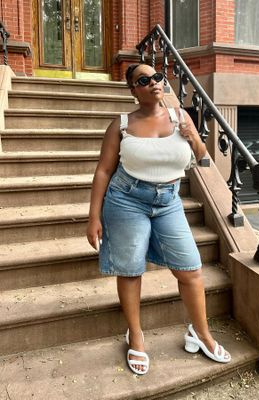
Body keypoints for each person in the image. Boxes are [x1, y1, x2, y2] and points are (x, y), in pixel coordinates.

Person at [86, 63, 231, 375]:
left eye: (157, 76)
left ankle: (201, 332)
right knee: (130, 269)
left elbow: (203, 157)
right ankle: (135, 335)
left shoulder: (181, 117)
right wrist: (93, 216)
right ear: (133, 90)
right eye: (143, 79)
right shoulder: (122, 125)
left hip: (168, 201)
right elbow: (103, 171)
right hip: (126, 200)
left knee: (190, 268)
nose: (153, 82)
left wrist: (193, 136)